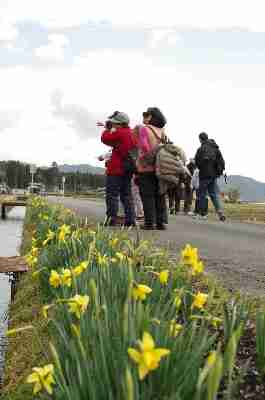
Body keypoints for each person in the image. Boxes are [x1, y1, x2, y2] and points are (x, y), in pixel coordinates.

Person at [101, 112, 136, 227]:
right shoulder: (131, 133)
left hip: (116, 169)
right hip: (128, 168)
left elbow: (104, 138)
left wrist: (107, 129)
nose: (114, 125)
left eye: (115, 123)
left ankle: (111, 219)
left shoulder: (120, 133)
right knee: (126, 195)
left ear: (121, 124)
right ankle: (130, 220)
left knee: (112, 195)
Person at [135, 107, 168, 230]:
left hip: (146, 167)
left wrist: (144, 159)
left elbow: (144, 147)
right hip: (160, 167)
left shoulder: (144, 129)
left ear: (151, 117)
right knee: (159, 195)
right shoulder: (162, 131)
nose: (144, 117)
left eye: (146, 114)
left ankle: (149, 223)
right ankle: (160, 223)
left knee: (147, 195)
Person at [195, 132, 226, 221]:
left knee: (202, 194)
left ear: (200, 139)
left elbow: (197, 162)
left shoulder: (201, 149)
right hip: (214, 175)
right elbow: (221, 161)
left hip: (204, 175)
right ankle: (220, 212)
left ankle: (203, 214)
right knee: (213, 194)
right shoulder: (216, 148)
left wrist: (201, 167)